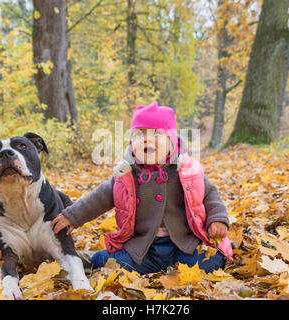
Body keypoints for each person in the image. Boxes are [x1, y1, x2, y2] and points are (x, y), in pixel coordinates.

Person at [51, 101, 233, 274]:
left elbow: (210, 195)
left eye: (156, 134)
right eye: (139, 135)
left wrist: (217, 219)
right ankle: (87, 259)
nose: (146, 140)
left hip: (185, 245)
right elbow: (100, 197)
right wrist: (73, 216)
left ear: (171, 142)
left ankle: (184, 266)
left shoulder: (186, 170)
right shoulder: (127, 175)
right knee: (112, 263)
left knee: (213, 260)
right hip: (144, 249)